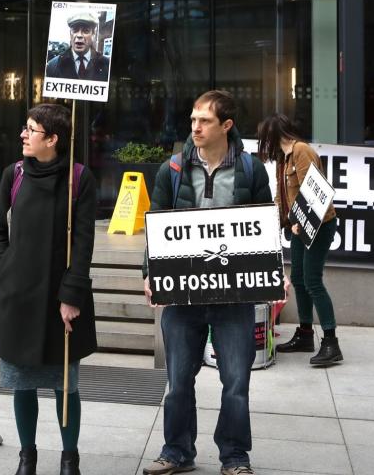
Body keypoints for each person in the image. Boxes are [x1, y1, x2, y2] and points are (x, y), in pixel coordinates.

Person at [142, 90, 272, 475]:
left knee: (236, 382)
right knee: (178, 381)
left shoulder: (251, 170)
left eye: (205, 121)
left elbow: (265, 224)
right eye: (193, 119)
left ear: (226, 126)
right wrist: (150, 274)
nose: (195, 127)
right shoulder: (173, 169)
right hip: (183, 296)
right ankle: (177, 451)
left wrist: (273, 274)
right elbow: (156, 226)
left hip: (235, 297)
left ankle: (234, 457)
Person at [0, 103, 98, 475]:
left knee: (66, 384)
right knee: (22, 383)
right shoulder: (12, 174)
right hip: (18, 298)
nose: (23, 134)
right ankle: (27, 456)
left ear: (52, 139)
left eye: (31, 130)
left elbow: (83, 244)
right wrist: (4, 264)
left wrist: (71, 296)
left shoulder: (79, 179)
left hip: (60, 300)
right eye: (26, 127)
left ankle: (70, 457)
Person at [256, 113, 342, 366]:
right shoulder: (284, 159)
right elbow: (281, 197)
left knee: (313, 280)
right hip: (298, 226)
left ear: (273, 135)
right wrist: (276, 221)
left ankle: (331, 342)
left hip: (319, 224)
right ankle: (305, 334)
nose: (264, 144)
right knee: (299, 279)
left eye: (265, 138)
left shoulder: (301, 151)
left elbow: (313, 190)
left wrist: (299, 221)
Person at [45, 13, 110, 81]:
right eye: (75, 30)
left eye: (86, 31)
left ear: (93, 35)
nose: (79, 35)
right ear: (70, 34)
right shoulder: (53, 66)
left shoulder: (107, 65)